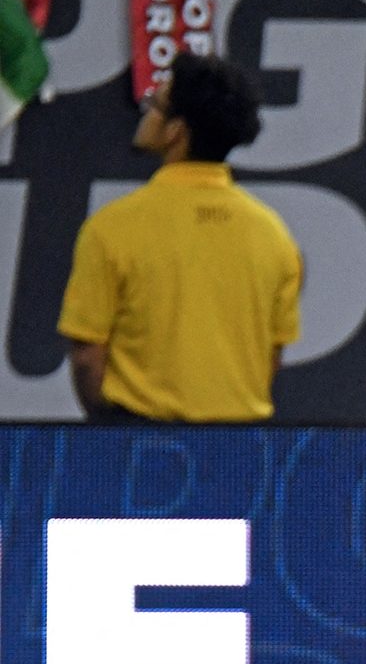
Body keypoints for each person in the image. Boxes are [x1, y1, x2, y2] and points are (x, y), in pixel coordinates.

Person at [57, 52, 300, 423]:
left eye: (155, 104)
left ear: (176, 132)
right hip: (242, 449)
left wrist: (109, 432)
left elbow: (88, 356)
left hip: (137, 442)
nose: (147, 110)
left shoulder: (112, 227)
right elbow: (272, 355)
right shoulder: (273, 233)